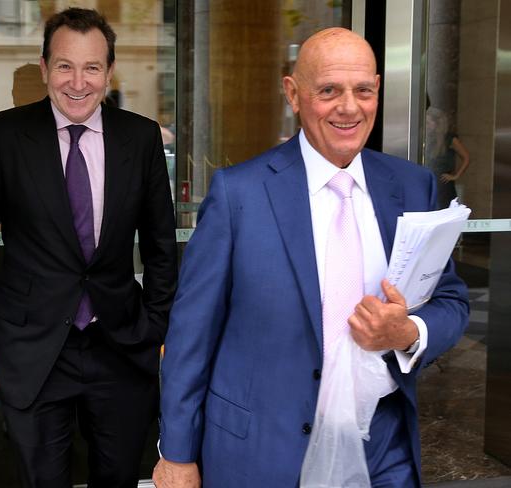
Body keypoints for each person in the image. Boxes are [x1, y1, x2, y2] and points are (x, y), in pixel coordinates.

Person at [153, 28, 469, 488]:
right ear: (293, 94)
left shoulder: (411, 187)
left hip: (383, 448)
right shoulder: (238, 194)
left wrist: (407, 331)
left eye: (363, 91)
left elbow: (451, 301)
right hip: (263, 451)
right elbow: (190, 335)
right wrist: (177, 454)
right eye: (328, 91)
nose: (349, 107)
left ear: (377, 90)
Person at [0, 7, 177, 488]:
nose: (78, 82)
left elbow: (161, 247)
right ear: (44, 68)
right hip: (33, 347)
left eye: (92, 67)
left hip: (120, 344)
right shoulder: (6, 136)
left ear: (109, 71)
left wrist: (156, 326)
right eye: (65, 66)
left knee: (117, 476)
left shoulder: (140, 138)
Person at [425, 106, 470, 209]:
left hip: (443, 185)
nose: (426, 126)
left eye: (428, 123)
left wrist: (455, 176)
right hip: (430, 183)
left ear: (436, 124)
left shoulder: (450, 138)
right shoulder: (428, 138)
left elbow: (466, 157)